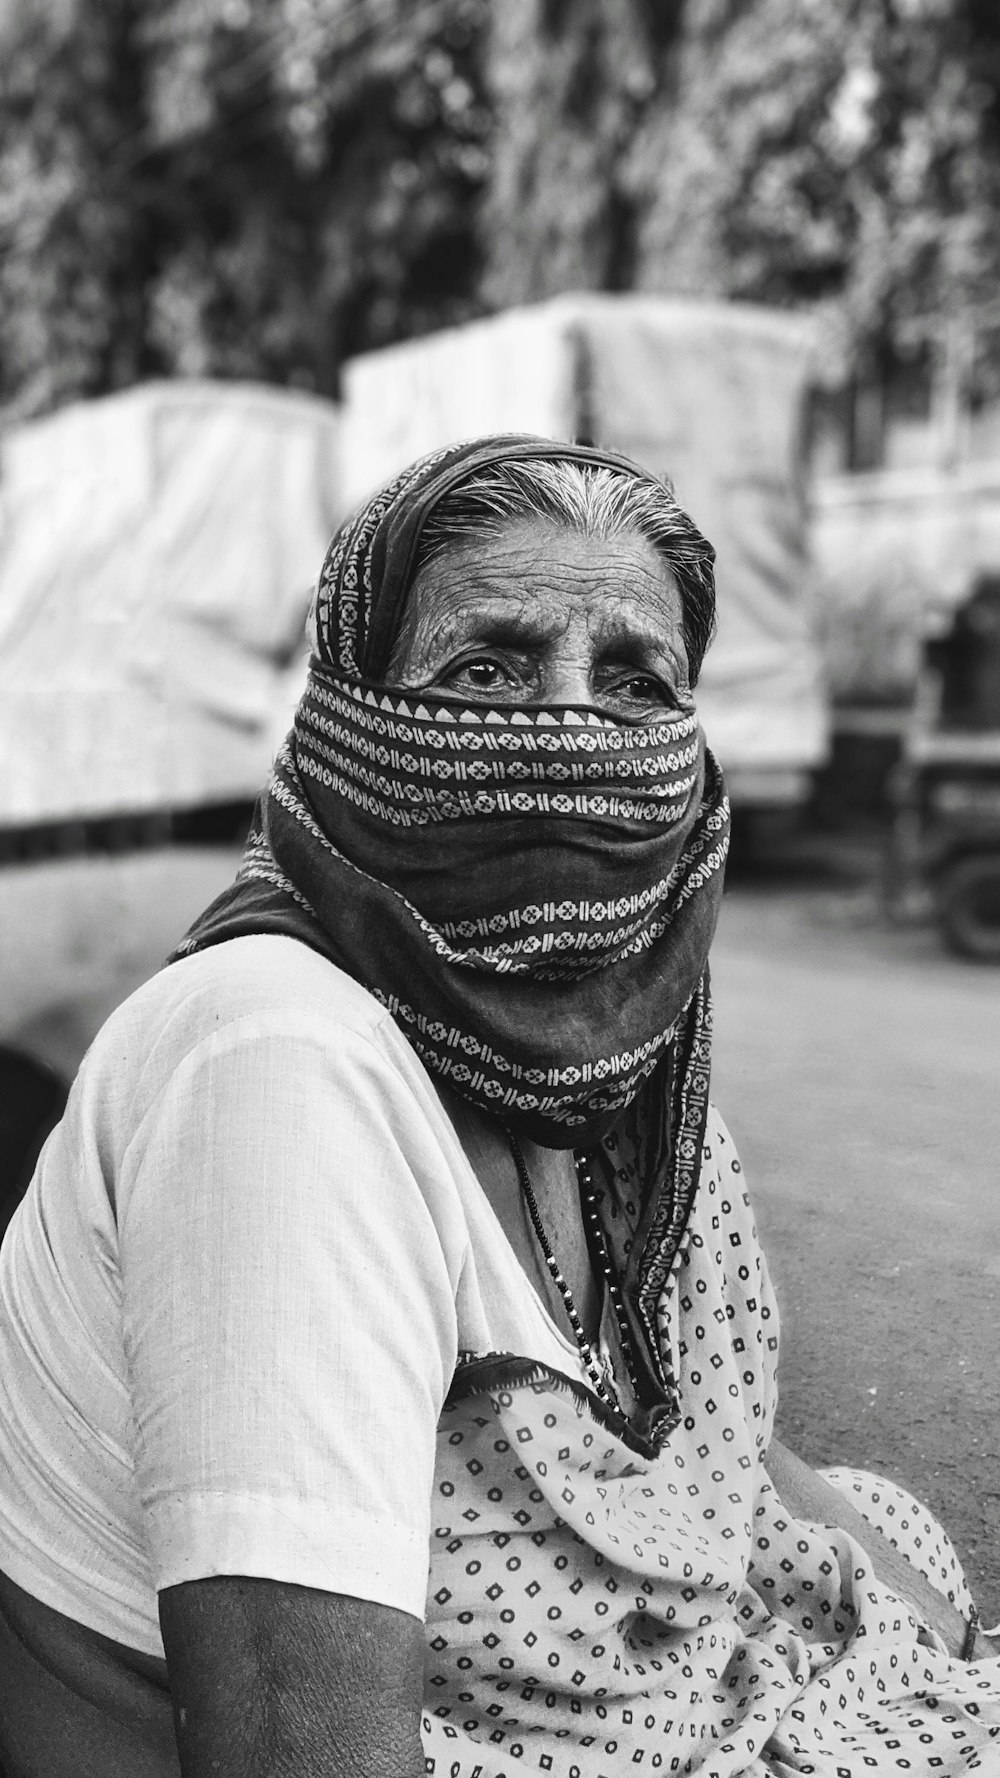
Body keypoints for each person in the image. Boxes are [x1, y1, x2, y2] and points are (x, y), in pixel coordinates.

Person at [0, 434, 997, 1778]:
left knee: (886, 1535)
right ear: (353, 716)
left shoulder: (608, 1066)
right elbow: (307, 1752)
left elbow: (712, 1434)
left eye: (637, 678)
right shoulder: (279, 1067)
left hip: (607, 1680)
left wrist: (918, 1609)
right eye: (487, 668)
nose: (572, 726)